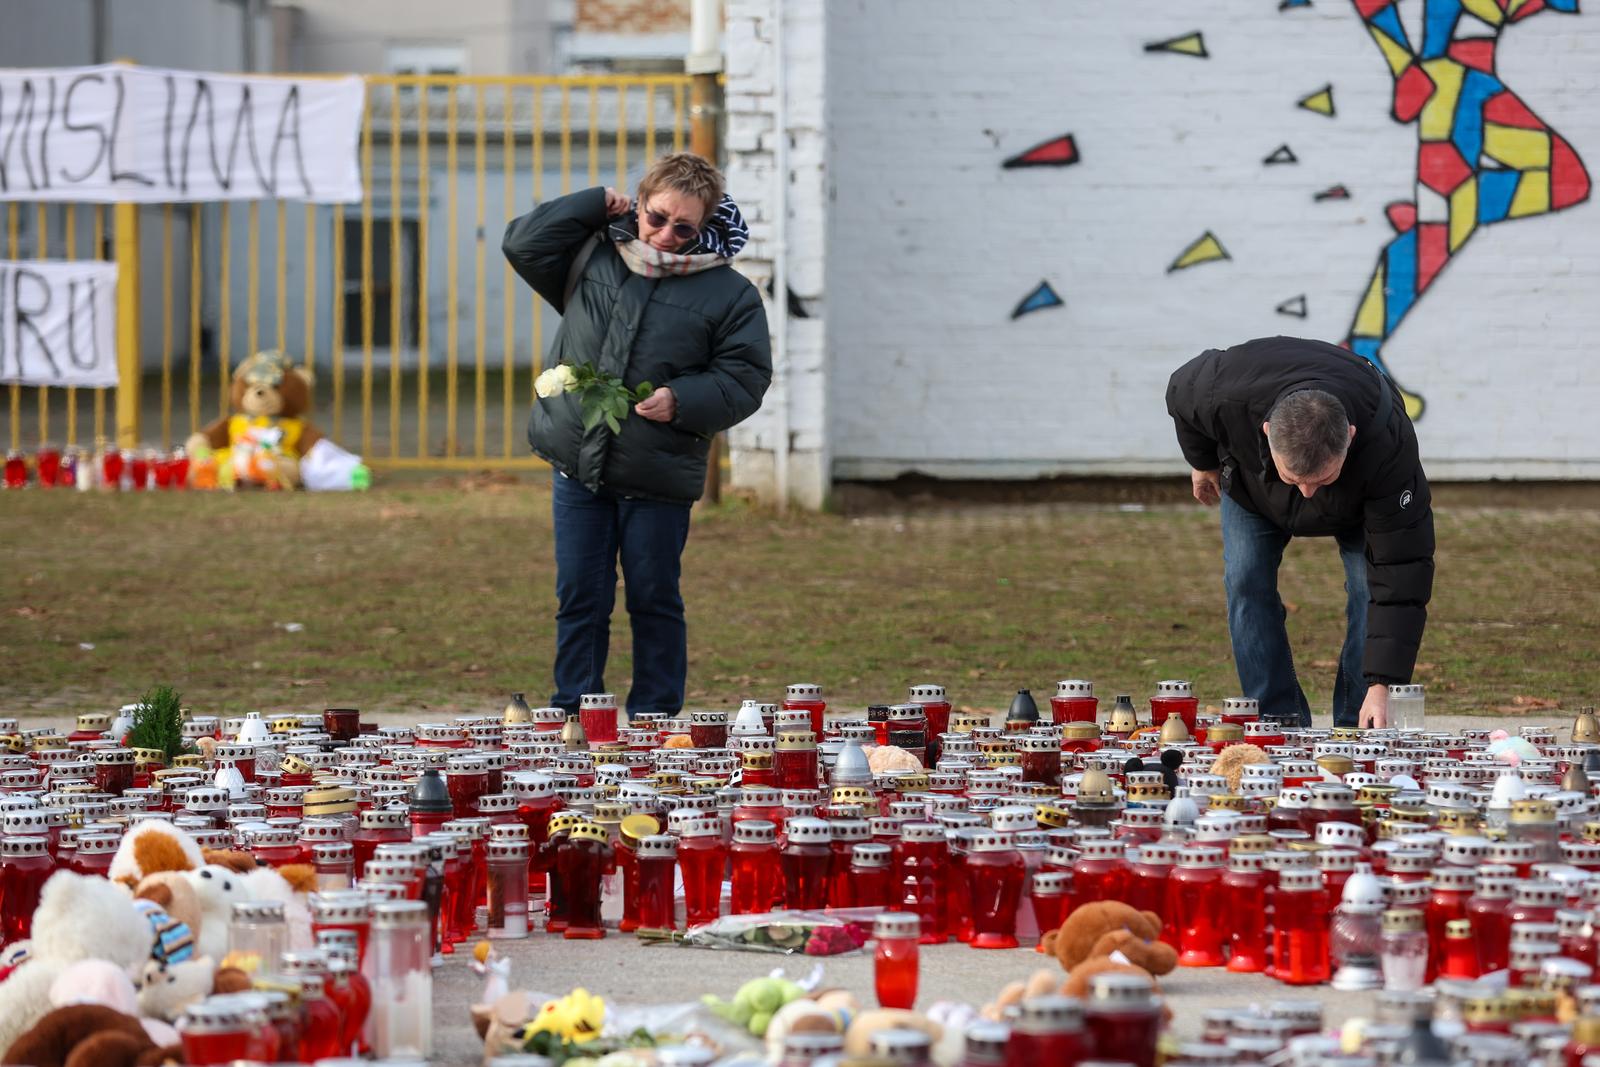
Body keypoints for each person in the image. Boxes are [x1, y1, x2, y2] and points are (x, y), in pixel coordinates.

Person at [503, 152, 772, 721]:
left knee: (653, 599)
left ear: (708, 228)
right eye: (657, 217)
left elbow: (745, 378)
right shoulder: (596, 255)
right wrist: (589, 203)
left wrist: (682, 400)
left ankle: (654, 717)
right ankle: (576, 714)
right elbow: (523, 245)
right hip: (579, 462)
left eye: (685, 227)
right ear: (639, 202)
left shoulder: (730, 294)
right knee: (580, 597)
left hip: (657, 473)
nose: (666, 235)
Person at [1165, 337, 1435, 728]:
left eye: (1322, 478)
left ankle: (1359, 721)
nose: (1307, 492)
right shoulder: (1221, 390)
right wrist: (1203, 461)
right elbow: (1179, 393)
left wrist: (1383, 685)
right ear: (1267, 430)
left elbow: (1401, 575)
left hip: (1359, 501)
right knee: (1245, 579)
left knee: (1368, 586)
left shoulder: (1389, 448)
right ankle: (1276, 716)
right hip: (1252, 485)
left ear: (1351, 437)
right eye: (1295, 478)